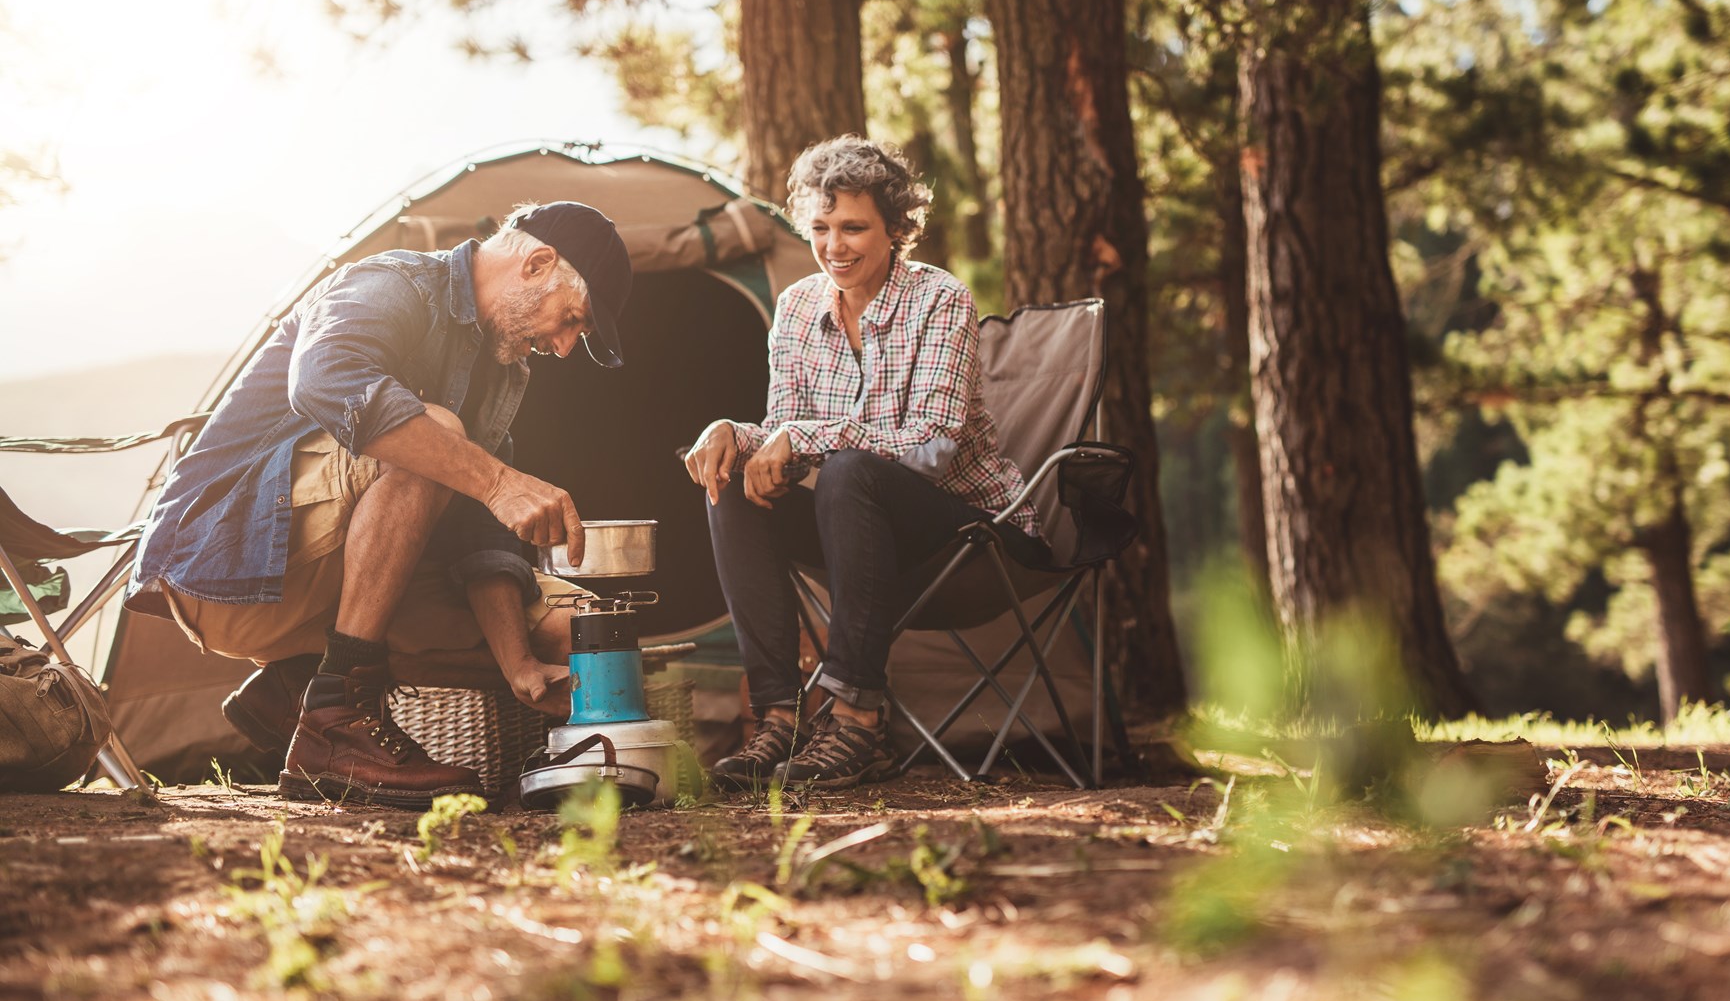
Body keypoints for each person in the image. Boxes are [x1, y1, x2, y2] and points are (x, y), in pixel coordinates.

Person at [129, 201, 633, 807]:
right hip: (229, 562)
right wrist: (498, 480)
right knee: (435, 431)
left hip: (346, 580)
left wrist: (519, 663)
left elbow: (479, 529)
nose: (564, 346)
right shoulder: (392, 283)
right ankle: (335, 715)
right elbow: (323, 378)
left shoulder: (502, 373)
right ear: (537, 263)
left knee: (582, 625)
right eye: (572, 320)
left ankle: (308, 683)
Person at [684, 136, 1048, 791]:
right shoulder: (795, 310)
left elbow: (931, 444)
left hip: (964, 530)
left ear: (897, 228)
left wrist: (802, 441)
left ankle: (857, 721)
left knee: (849, 468)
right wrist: (733, 437)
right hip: (853, 525)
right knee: (734, 484)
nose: (835, 247)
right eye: (821, 228)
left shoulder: (940, 299)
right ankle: (778, 716)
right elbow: (782, 432)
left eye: (854, 227)